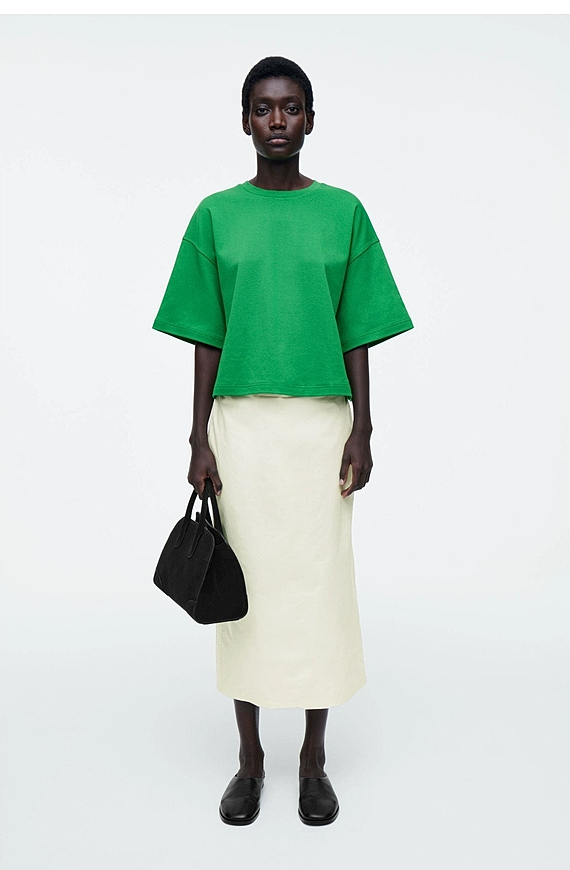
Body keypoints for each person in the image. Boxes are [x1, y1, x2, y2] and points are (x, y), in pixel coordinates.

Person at [153, 56, 414, 827]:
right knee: (242, 594)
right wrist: (198, 438)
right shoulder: (215, 216)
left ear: (310, 119)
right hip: (241, 433)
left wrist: (363, 428)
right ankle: (249, 761)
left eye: (291, 107)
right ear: (244, 120)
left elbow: (357, 329)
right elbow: (204, 334)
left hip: (320, 431)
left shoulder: (343, 213)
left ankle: (313, 762)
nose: (277, 120)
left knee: (316, 593)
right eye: (264, 108)